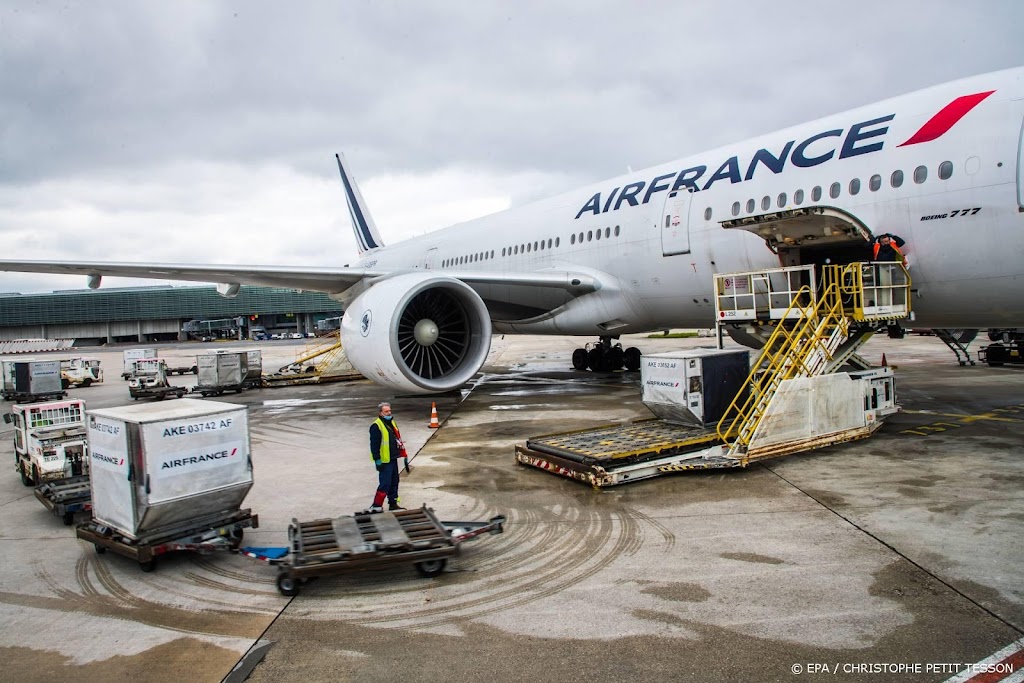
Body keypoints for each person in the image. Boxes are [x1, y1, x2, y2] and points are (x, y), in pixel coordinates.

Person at [365, 402, 408, 513]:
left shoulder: (391, 422)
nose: (389, 413)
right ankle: (376, 505)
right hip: (384, 461)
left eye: (389, 411)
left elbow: (397, 439)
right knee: (385, 483)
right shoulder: (376, 426)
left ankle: (393, 503)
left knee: (395, 481)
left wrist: (404, 454)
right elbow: (374, 445)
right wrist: (377, 460)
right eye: (386, 411)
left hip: (393, 457)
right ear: (380, 413)